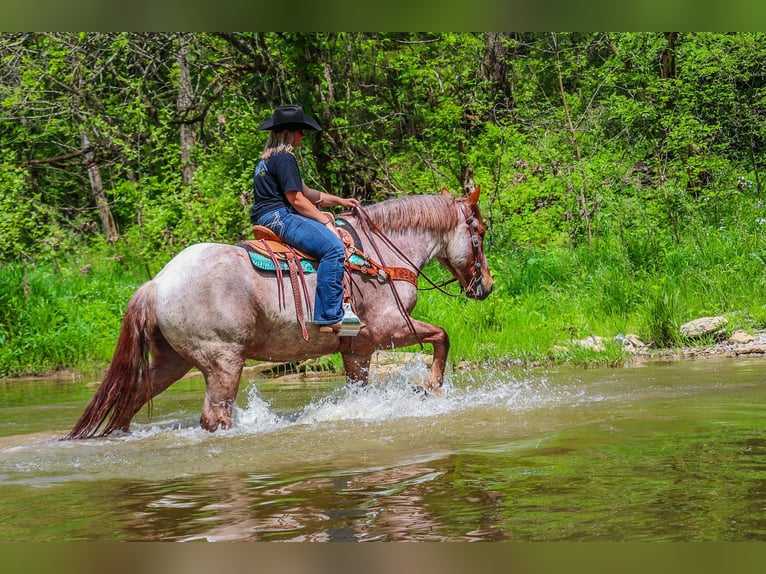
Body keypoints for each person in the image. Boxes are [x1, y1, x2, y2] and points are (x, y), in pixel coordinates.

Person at [250, 104, 360, 334]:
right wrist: (324, 220)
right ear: (289, 132)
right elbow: (296, 199)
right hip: (279, 216)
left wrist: (341, 201)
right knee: (333, 248)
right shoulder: (285, 158)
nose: (303, 135)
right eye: (301, 130)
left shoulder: (268, 159)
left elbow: (308, 192)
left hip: (266, 216)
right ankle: (330, 317)